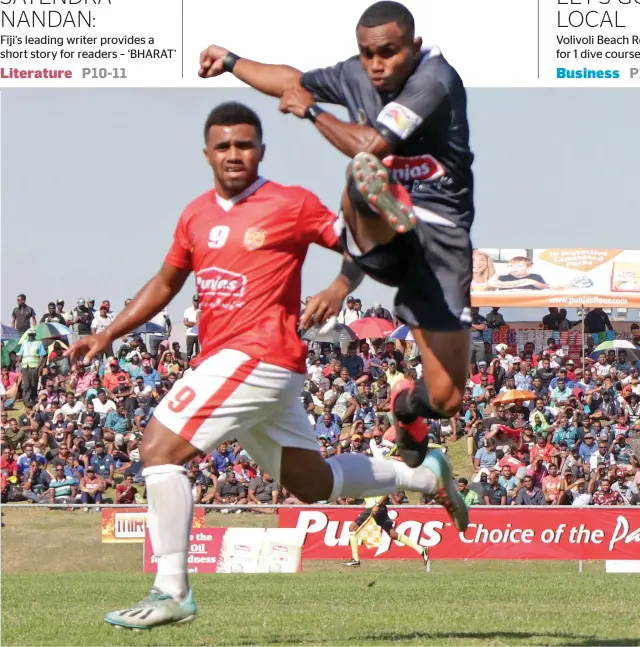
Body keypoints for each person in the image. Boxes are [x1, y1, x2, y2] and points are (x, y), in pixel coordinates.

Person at [65, 102, 466, 631]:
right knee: (314, 485)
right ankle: (421, 473)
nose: (235, 154)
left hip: (259, 356)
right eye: (224, 145)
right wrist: (108, 332)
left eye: (245, 144)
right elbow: (166, 284)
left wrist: (338, 287)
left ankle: (172, 590)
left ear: (261, 150)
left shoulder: (290, 204)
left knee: (159, 450)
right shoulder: (195, 215)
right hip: (240, 366)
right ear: (207, 152)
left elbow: (356, 245)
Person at [199, 0, 475, 470]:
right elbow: (292, 82)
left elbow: (368, 140)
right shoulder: (355, 75)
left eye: (388, 53)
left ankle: (407, 409)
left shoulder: (435, 81)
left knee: (447, 398)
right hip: (388, 230)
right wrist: (231, 61)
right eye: (367, 54)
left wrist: (312, 114)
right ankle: (375, 209)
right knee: (362, 175)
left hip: (442, 243)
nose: (376, 65)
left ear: (415, 45)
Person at [345, 493, 428, 567]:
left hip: (375, 508)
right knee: (393, 534)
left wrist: (377, 505)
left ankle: (355, 559)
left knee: (352, 528)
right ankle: (421, 550)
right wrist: (355, 500)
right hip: (379, 509)